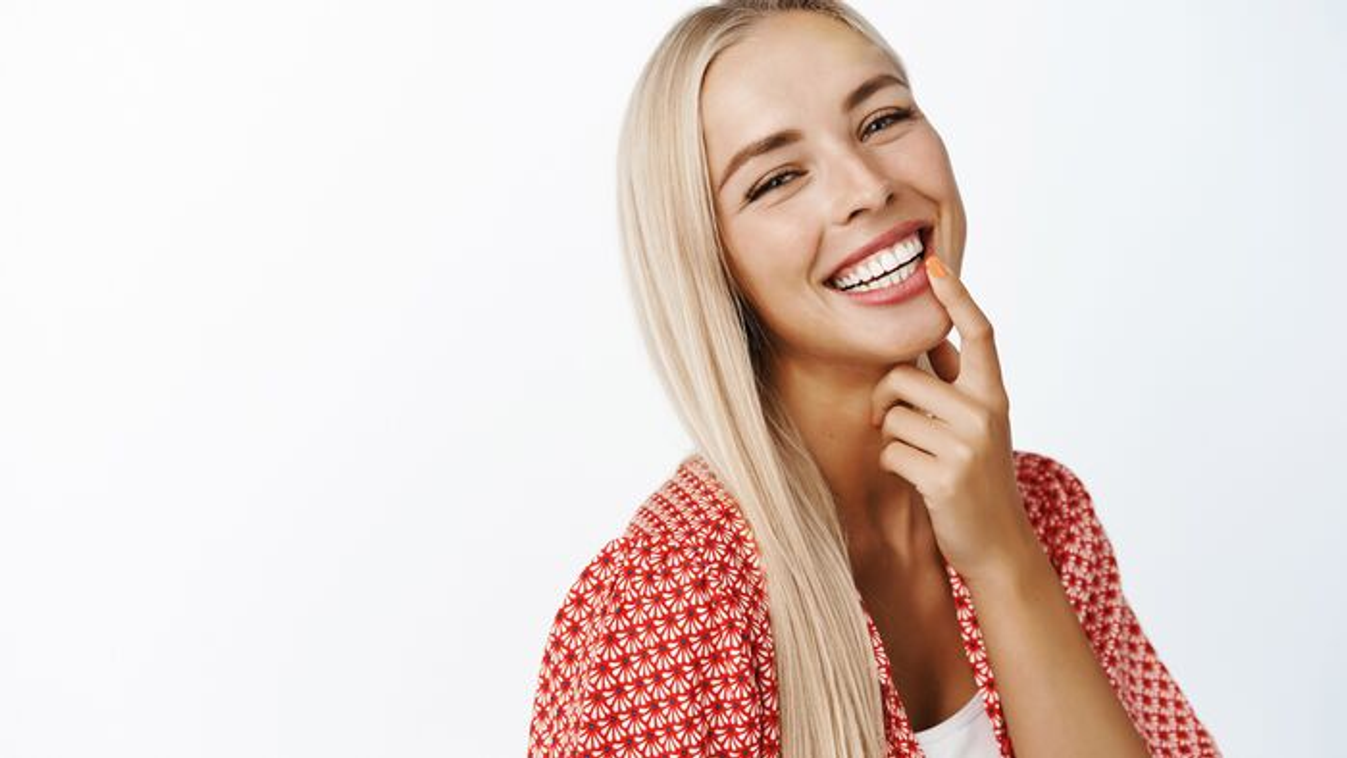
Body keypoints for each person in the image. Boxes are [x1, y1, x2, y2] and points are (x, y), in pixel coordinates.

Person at [527, 2, 1221, 756]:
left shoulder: (1044, 515)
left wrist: (1002, 556)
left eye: (882, 119)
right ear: (709, 261)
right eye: (777, 178)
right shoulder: (670, 602)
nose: (866, 187)